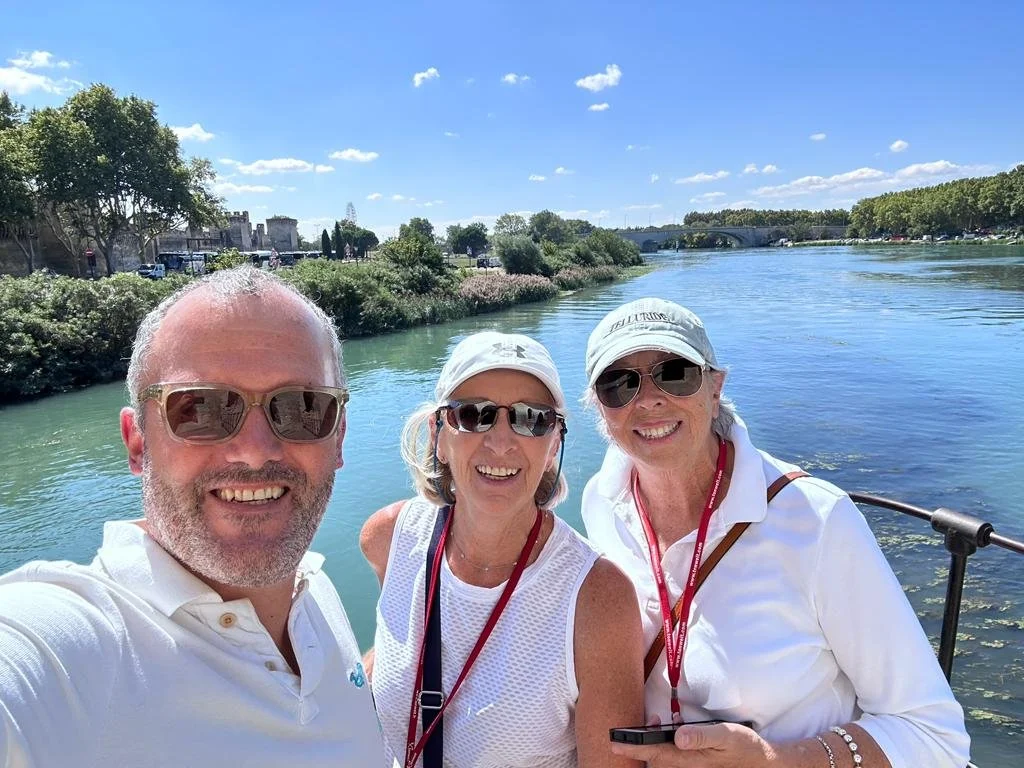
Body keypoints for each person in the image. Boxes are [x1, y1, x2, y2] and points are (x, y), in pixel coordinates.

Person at [0, 267, 385, 766]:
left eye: (302, 407)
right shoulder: (71, 650)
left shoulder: (313, 591)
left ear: (338, 437)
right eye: (199, 408)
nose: (253, 451)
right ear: (137, 443)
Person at [580, 298, 971, 768]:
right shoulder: (601, 502)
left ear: (716, 386)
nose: (647, 400)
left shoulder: (817, 521)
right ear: (600, 409)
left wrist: (775, 760)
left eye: (674, 373)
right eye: (618, 385)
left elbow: (932, 733)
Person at [361, 331, 644, 768]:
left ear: (554, 445)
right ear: (440, 434)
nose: (500, 441)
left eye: (531, 419)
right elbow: (394, 650)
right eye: (475, 415)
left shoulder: (598, 600)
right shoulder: (390, 537)